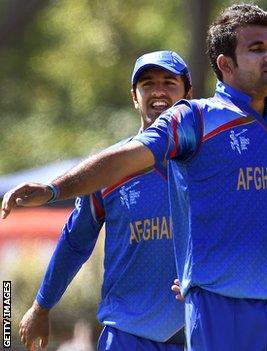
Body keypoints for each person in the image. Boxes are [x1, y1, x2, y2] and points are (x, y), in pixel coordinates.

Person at [3, 4, 267, 350]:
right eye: (256, 48)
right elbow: (79, 235)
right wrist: (55, 189)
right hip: (205, 314)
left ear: (186, 88)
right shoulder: (196, 121)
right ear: (225, 65)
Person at [17, 50, 192, 351]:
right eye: (147, 84)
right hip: (126, 336)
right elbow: (75, 241)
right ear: (134, 97)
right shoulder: (109, 170)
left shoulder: (211, 164)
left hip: (197, 333)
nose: (158, 91)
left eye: (169, 82)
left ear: (189, 93)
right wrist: (41, 306)